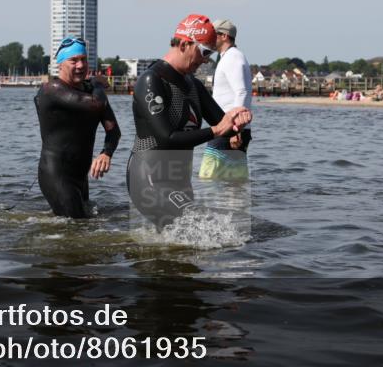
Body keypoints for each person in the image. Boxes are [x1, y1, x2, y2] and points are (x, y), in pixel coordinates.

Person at [127, 15, 252, 229]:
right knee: (203, 228)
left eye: (210, 54)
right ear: (185, 44)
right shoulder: (152, 80)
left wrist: (237, 124)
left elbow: (223, 125)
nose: (205, 60)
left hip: (180, 182)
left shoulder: (193, 85)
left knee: (186, 248)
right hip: (149, 180)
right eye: (204, 52)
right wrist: (215, 130)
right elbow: (166, 138)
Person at [34, 36, 121, 218]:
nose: (80, 65)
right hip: (56, 175)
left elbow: (114, 131)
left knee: (83, 225)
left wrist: (106, 153)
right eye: (73, 60)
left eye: (83, 59)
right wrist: (97, 83)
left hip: (80, 177)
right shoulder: (51, 90)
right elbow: (97, 103)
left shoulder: (90, 92)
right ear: (60, 64)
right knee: (76, 229)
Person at [199, 19, 253, 181]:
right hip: (232, 128)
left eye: (211, 35)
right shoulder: (230, 57)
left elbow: (241, 92)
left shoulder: (232, 58)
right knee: (234, 183)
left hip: (229, 130)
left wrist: (235, 129)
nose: (207, 39)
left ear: (223, 36)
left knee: (207, 176)